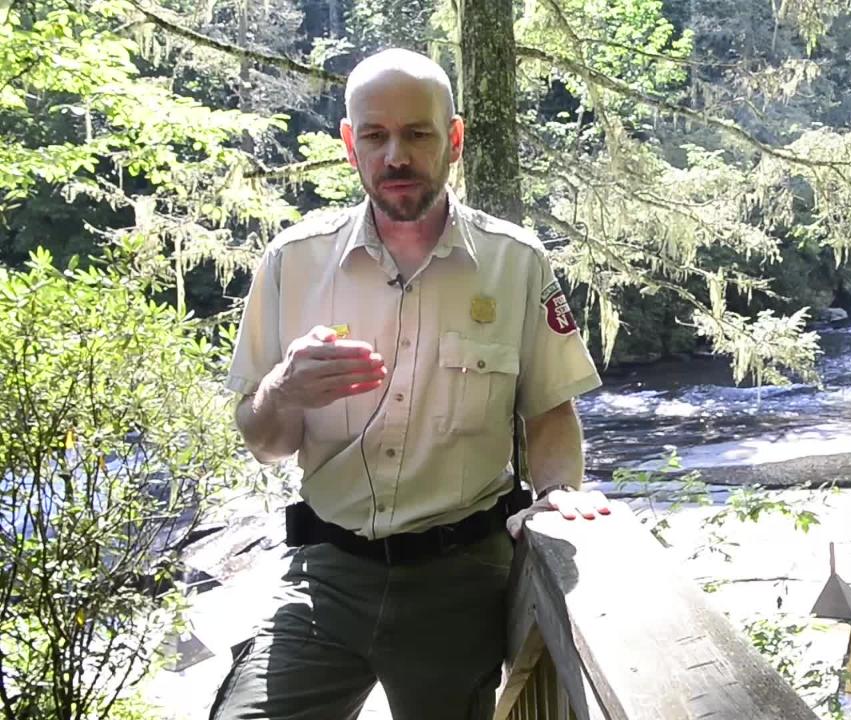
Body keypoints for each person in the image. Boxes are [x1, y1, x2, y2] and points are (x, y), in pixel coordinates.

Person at [211, 48, 611, 720]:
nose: (395, 155)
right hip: (325, 579)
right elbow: (265, 442)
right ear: (350, 144)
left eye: (417, 133)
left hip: (460, 585)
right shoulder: (293, 262)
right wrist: (282, 390)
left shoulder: (515, 264)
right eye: (375, 135)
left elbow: (548, 411)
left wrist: (558, 493)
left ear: (452, 139)